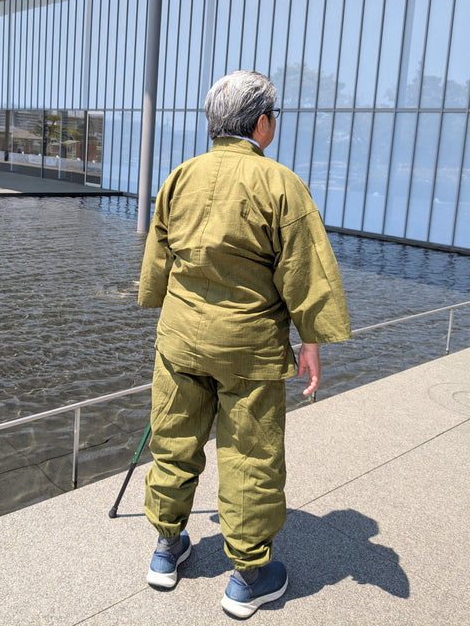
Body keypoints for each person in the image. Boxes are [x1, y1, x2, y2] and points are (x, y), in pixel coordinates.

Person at [137, 69, 351, 618]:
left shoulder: (180, 176)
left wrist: (162, 302)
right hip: (249, 346)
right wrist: (311, 341)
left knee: (173, 440)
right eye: (273, 116)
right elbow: (305, 272)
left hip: (181, 338)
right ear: (261, 124)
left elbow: (158, 262)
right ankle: (248, 578)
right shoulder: (280, 184)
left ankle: (166, 550)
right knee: (250, 456)